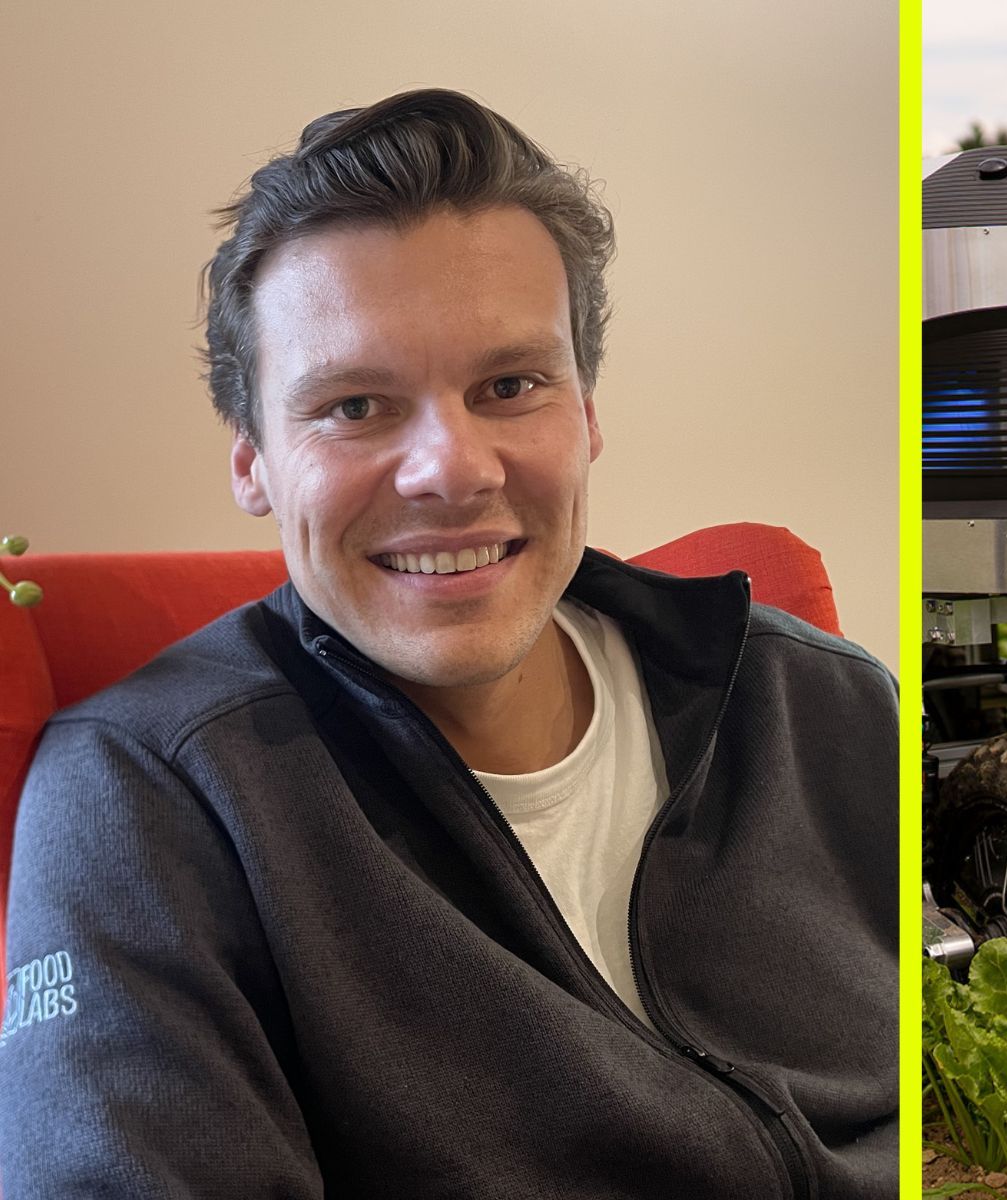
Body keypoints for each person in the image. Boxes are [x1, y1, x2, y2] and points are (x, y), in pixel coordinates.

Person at [0, 89, 898, 1198]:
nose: (453, 470)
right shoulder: (144, 796)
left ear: (587, 413)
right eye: (355, 407)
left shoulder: (821, 700)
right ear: (253, 463)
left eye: (510, 385)